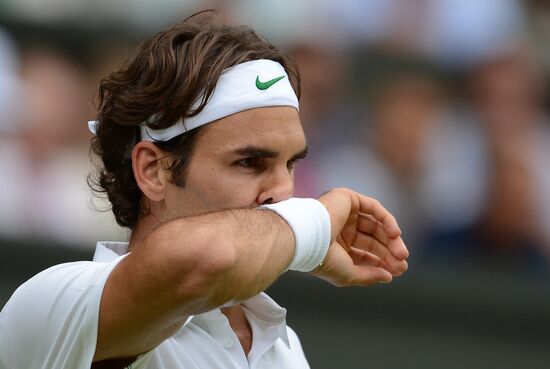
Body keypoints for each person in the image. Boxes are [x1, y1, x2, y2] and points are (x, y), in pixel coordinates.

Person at [0, 13, 409, 369]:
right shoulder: (54, 303)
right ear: (152, 170)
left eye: (290, 164)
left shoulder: (286, 351)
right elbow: (203, 262)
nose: (284, 193)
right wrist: (314, 226)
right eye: (249, 162)